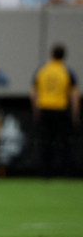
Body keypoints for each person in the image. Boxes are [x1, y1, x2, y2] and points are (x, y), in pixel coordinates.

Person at [30, 44, 80, 177]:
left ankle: (45, 173)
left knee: (45, 142)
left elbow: (34, 93)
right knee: (64, 143)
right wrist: (75, 114)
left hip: (45, 109)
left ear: (51, 54)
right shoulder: (67, 71)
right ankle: (66, 172)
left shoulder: (42, 70)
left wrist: (36, 111)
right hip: (61, 110)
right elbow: (74, 95)